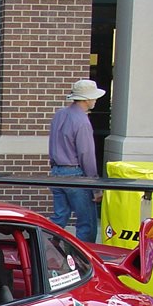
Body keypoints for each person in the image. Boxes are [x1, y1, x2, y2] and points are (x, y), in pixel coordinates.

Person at [48, 79, 105, 243]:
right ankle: (83, 262)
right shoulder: (83, 122)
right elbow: (86, 155)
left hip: (56, 172)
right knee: (86, 223)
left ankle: (46, 252)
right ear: (87, 99)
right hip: (76, 175)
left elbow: (53, 143)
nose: (95, 100)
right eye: (94, 97)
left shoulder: (59, 115)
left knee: (59, 218)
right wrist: (95, 185)